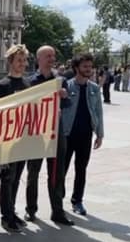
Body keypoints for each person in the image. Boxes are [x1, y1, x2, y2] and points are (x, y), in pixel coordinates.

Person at [26, 45, 75, 226]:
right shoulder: (30, 82)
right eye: (48, 56)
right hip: (37, 133)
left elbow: (67, 104)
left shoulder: (60, 80)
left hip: (56, 132)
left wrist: (65, 96)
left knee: (57, 173)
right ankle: (31, 210)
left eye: (53, 56)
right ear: (39, 59)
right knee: (33, 172)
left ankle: (57, 211)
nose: (52, 59)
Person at [0, 44, 32, 232]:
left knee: (17, 178)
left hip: (23, 139)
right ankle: (5, 216)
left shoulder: (27, 84)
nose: (22, 64)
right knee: (7, 178)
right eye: (19, 60)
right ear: (10, 62)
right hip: (8, 139)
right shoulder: (3, 85)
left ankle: (12, 210)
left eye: (24, 60)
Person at [63, 53, 104, 216]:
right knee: (62, 169)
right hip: (67, 134)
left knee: (81, 169)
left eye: (90, 66)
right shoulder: (67, 86)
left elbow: (98, 112)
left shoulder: (94, 88)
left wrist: (99, 134)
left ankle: (77, 200)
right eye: (85, 66)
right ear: (76, 68)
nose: (89, 69)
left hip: (85, 134)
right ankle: (58, 198)